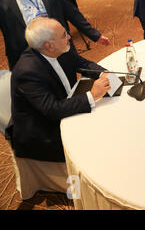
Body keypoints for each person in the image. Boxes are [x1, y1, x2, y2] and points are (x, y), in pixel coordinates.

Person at [5, 17, 110, 196]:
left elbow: (83, 64)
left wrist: (106, 73)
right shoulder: (27, 71)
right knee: (97, 140)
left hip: (64, 103)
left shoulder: (62, 47)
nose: (69, 36)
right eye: (64, 34)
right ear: (49, 46)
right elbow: (52, 110)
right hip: (42, 130)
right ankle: (83, 190)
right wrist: (92, 95)